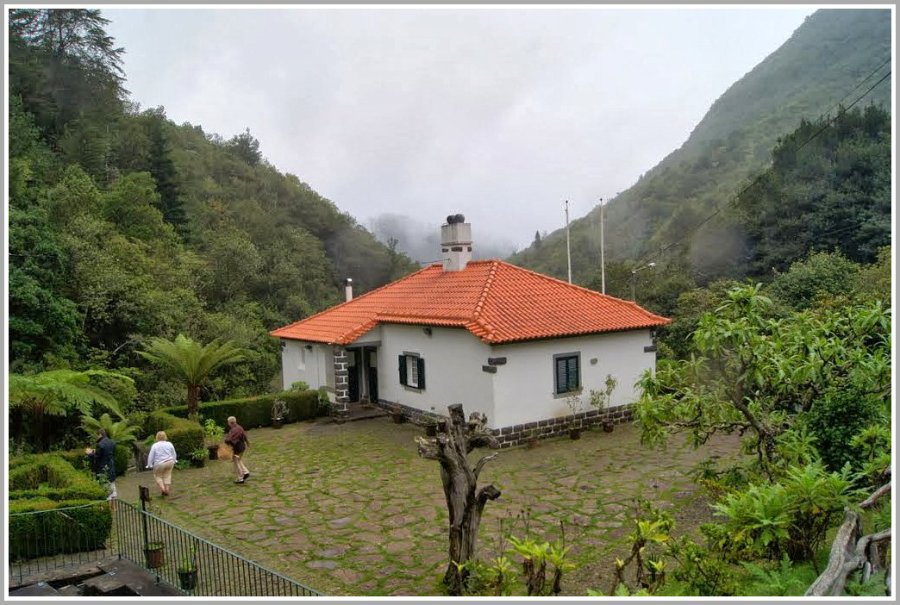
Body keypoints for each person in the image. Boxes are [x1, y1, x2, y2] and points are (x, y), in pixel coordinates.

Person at [85, 429, 117, 501]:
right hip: (111, 467)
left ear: (100, 435)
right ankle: (114, 507)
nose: (96, 437)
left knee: (106, 489)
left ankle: (108, 508)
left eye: (97, 435)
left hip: (102, 469)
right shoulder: (112, 442)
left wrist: (90, 453)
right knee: (113, 488)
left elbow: (97, 457)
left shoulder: (100, 444)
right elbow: (107, 453)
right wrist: (94, 451)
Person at [146, 431, 177, 497]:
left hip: (160, 463)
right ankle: (167, 489)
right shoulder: (169, 444)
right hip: (170, 462)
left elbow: (151, 456)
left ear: (157, 437)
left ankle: (163, 489)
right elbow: (174, 453)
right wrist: (174, 460)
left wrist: (149, 464)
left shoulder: (155, 445)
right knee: (167, 475)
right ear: (165, 436)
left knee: (157, 475)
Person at [224, 416, 250, 484]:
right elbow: (245, 436)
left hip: (237, 448)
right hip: (242, 447)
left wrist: (226, 441)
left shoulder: (233, 430)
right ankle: (245, 472)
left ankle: (241, 477)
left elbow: (229, 440)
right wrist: (247, 443)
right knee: (238, 460)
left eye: (228, 422)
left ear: (230, 423)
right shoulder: (240, 427)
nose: (228, 423)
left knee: (236, 462)